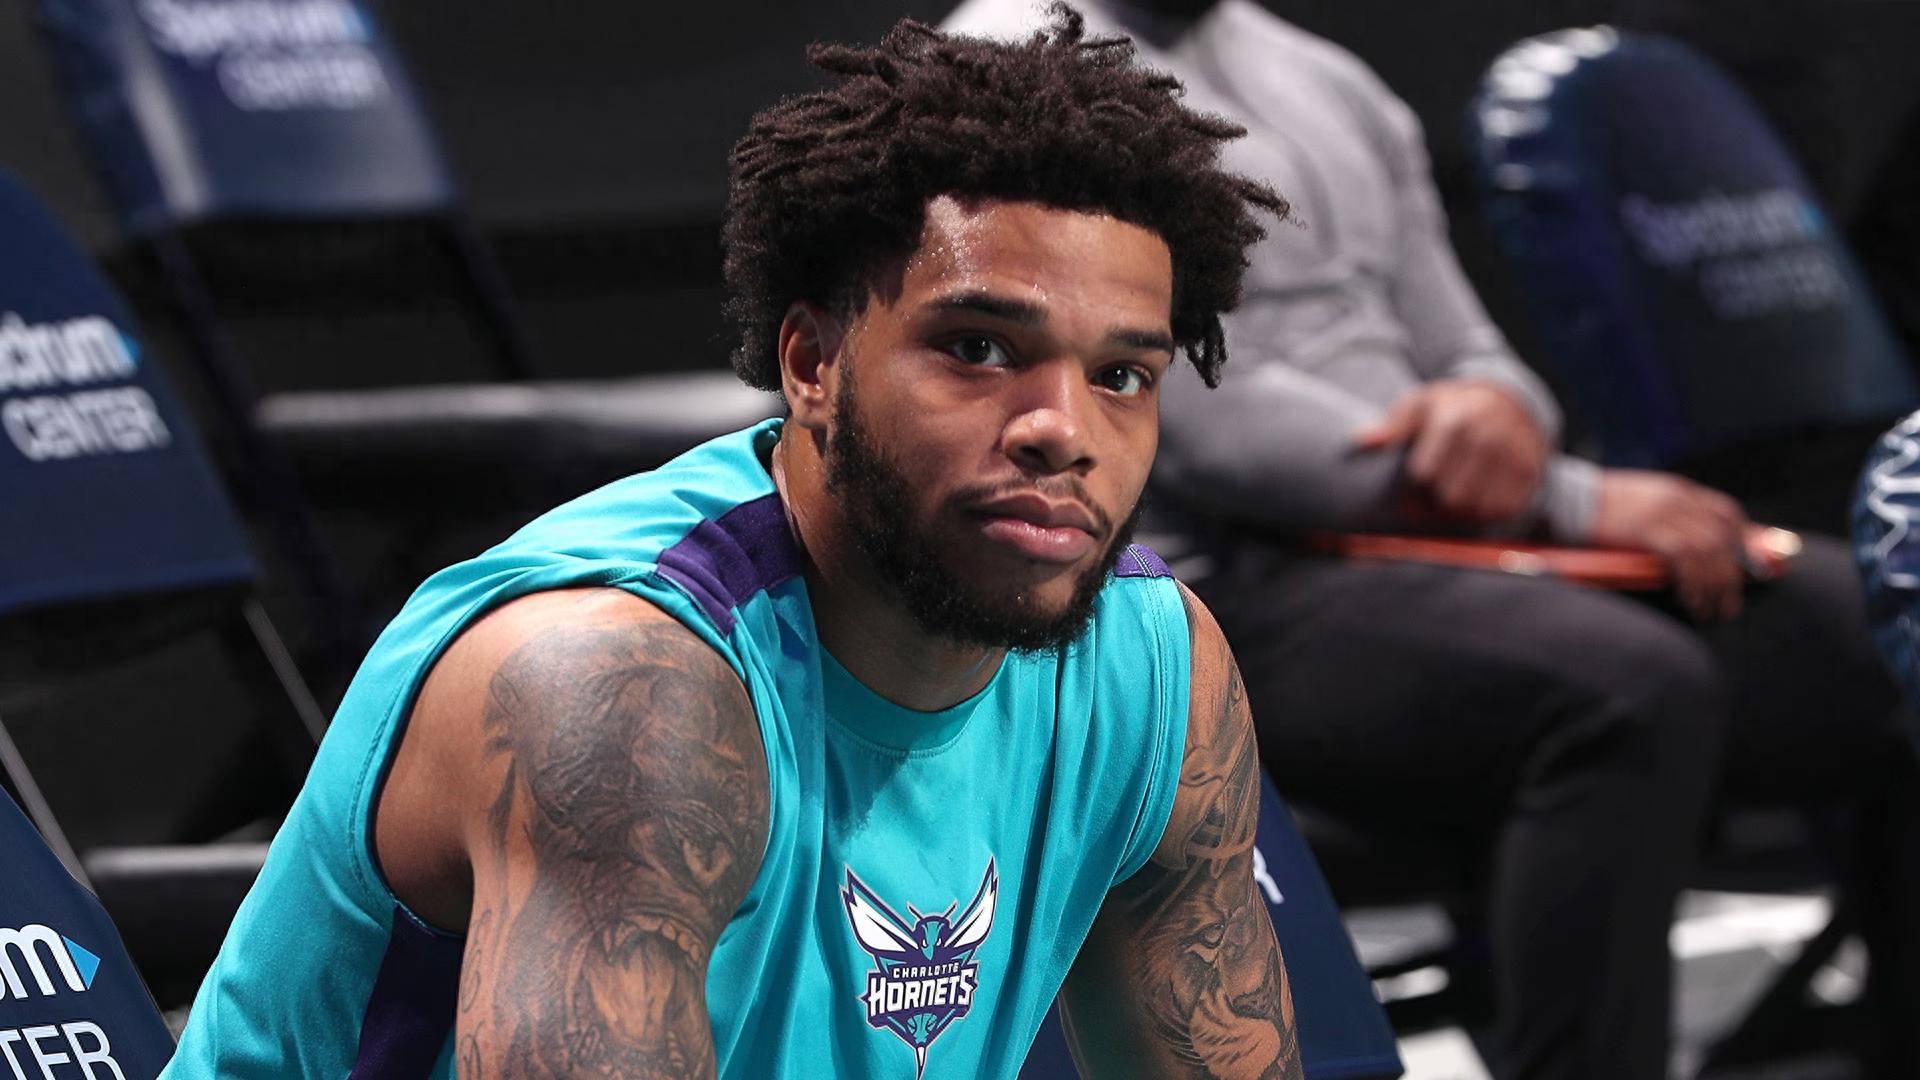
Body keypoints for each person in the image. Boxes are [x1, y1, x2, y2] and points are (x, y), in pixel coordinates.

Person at [160, 10, 1307, 1079]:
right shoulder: (614, 684)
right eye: (978, 348)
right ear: (810, 364)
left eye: (1122, 375)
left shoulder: (1151, 665)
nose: (1062, 429)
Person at [940, 3, 1920, 1079]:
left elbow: (1468, 346)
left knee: (1877, 617)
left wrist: (1496, 409)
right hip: (1208, 590)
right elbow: (1182, 412)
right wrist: (1559, 496)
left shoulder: (1326, 75)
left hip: (1437, 545)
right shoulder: (1016, 61)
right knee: (1623, 690)